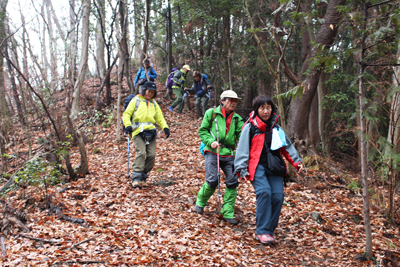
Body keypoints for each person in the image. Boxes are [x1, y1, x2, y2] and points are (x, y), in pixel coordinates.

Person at [234, 95, 304, 245]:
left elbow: (287, 147)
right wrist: (241, 168)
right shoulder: (250, 127)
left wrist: (297, 162)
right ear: (256, 109)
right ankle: (262, 231)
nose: (265, 111)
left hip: (275, 167)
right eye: (262, 108)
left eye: (268, 107)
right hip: (257, 167)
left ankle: (269, 231)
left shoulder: (276, 128)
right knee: (264, 192)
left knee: (278, 197)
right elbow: (242, 148)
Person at [194, 90, 244, 225]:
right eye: (230, 100)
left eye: (235, 101)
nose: (233, 103)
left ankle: (228, 212)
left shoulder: (237, 119)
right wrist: (211, 141)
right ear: (222, 100)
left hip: (229, 153)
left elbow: (242, 136)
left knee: (233, 181)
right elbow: (202, 131)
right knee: (212, 179)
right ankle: (200, 202)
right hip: (212, 150)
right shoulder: (211, 113)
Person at [122, 81, 170, 188]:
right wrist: (128, 125)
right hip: (138, 131)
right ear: (144, 90)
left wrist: (165, 128)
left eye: (153, 92)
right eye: (149, 91)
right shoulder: (136, 100)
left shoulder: (154, 104)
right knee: (141, 152)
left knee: (151, 155)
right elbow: (126, 114)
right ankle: (136, 178)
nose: (150, 94)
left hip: (151, 132)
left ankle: (143, 176)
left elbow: (160, 118)